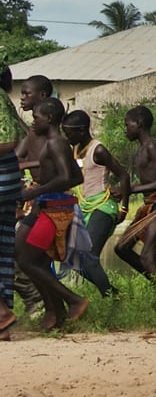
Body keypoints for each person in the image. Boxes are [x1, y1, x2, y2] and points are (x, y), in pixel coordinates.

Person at [15, 97, 90, 330]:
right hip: (45, 204)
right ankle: (55, 314)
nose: (33, 121)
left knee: (25, 257)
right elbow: (77, 177)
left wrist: (37, 190)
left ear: (48, 118)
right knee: (34, 259)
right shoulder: (52, 142)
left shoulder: (56, 143)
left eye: (36, 117)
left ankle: (73, 300)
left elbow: (67, 178)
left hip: (52, 207)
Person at [60, 109, 127, 297]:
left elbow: (123, 175)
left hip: (103, 207)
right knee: (72, 259)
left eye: (69, 133)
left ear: (81, 131)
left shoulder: (98, 150)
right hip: (84, 207)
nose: (67, 137)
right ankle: (113, 293)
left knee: (89, 258)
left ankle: (110, 298)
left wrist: (124, 207)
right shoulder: (75, 149)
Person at [114, 105, 156, 280]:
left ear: (139, 123)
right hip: (148, 205)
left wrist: (130, 189)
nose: (126, 130)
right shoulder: (141, 149)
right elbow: (148, 180)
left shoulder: (152, 146)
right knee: (121, 248)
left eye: (127, 125)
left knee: (147, 254)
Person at [12, 75, 50, 316]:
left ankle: (42, 301)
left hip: (47, 199)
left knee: (20, 254)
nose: (22, 98)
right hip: (31, 197)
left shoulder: (50, 129)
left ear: (42, 96)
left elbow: (58, 162)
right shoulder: (32, 131)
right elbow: (17, 156)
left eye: (27, 94)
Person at [0, 61, 27, 338]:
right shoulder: (6, 101)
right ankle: (4, 325)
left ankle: (2, 314)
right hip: (7, 185)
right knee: (3, 254)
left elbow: (9, 141)